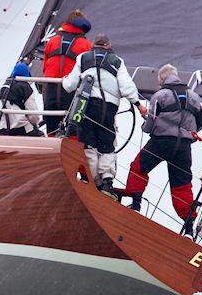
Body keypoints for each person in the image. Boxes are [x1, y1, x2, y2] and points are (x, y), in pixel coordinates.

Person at [124, 64, 202, 237]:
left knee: (138, 168)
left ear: (161, 79)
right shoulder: (195, 97)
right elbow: (201, 121)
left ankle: (136, 205)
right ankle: (189, 228)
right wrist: (189, 134)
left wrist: (145, 128)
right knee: (181, 185)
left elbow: (151, 121)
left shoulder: (160, 96)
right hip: (183, 146)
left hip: (161, 142)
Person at [62, 33, 147, 198]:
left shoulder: (83, 58)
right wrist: (138, 105)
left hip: (87, 106)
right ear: (108, 45)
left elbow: (70, 85)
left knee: (89, 144)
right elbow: (126, 85)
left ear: (94, 45)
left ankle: (91, 181)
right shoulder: (117, 61)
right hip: (108, 109)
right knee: (107, 145)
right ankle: (107, 183)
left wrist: (64, 80)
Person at [42, 10, 92, 134]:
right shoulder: (87, 46)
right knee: (73, 131)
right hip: (72, 94)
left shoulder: (52, 42)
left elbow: (44, 68)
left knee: (52, 131)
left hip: (50, 92)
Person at [0, 62, 43, 136]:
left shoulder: (2, 88)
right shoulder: (25, 88)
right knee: (41, 136)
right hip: (21, 129)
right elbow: (33, 115)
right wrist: (36, 124)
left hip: (2, 129)